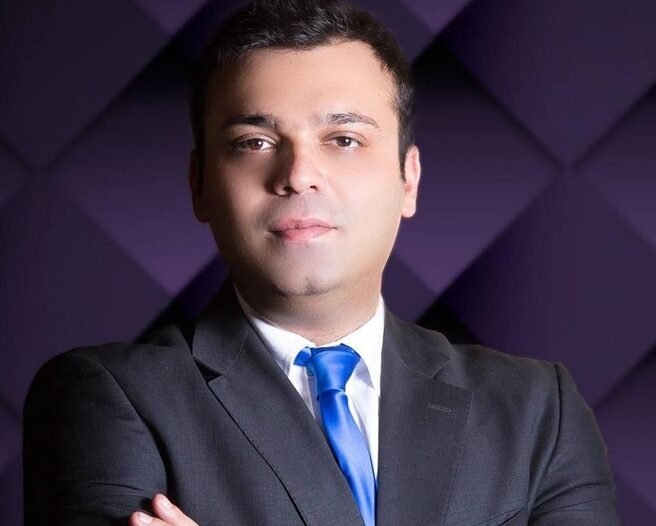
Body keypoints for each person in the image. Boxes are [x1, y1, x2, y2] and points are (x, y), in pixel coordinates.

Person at [23, 1, 620, 525]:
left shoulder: (538, 411)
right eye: (254, 142)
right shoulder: (109, 399)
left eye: (344, 139)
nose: (298, 174)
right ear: (199, 183)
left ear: (408, 178)